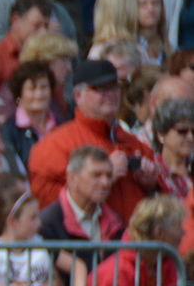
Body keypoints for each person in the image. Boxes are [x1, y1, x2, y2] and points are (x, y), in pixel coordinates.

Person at [27, 57, 158, 219]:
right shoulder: (54, 146)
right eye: (100, 89)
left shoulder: (134, 143)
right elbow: (46, 204)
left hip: (135, 240)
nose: (110, 94)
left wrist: (151, 186)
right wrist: (101, 176)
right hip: (86, 241)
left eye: (114, 87)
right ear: (77, 96)